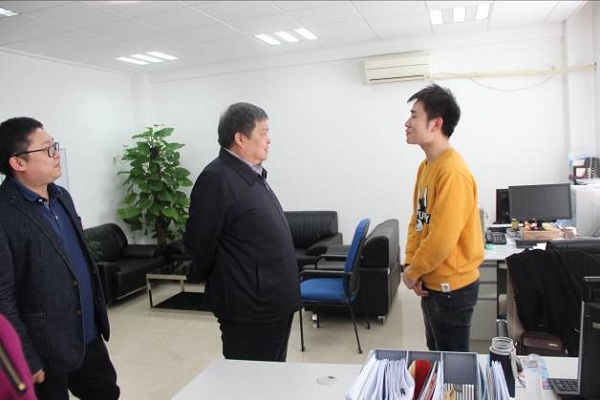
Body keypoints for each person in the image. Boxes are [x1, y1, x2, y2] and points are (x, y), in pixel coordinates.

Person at [0, 117, 119, 400]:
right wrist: (24, 356)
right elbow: (2, 297)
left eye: (54, 146)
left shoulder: (61, 196)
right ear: (18, 162)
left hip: (87, 335)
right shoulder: (4, 213)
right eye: (47, 149)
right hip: (44, 348)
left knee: (106, 393)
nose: (56, 154)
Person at [184, 102, 300, 362]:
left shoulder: (250, 174)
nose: (269, 140)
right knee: (250, 377)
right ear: (240, 138)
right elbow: (199, 241)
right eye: (263, 133)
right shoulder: (217, 178)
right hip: (250, 305)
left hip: (274, 299)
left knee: (273, 372)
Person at [402, 84, 484, 352]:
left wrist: (412, 272)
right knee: (437, 354)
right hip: (432, 284)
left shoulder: (453, 172)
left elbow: (442, 238)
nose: (407, 123)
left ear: (436, 124)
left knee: (452, 365)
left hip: (453, 290)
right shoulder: (426, 166)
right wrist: (411, 265)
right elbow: (418, 221)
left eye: (414, 116)